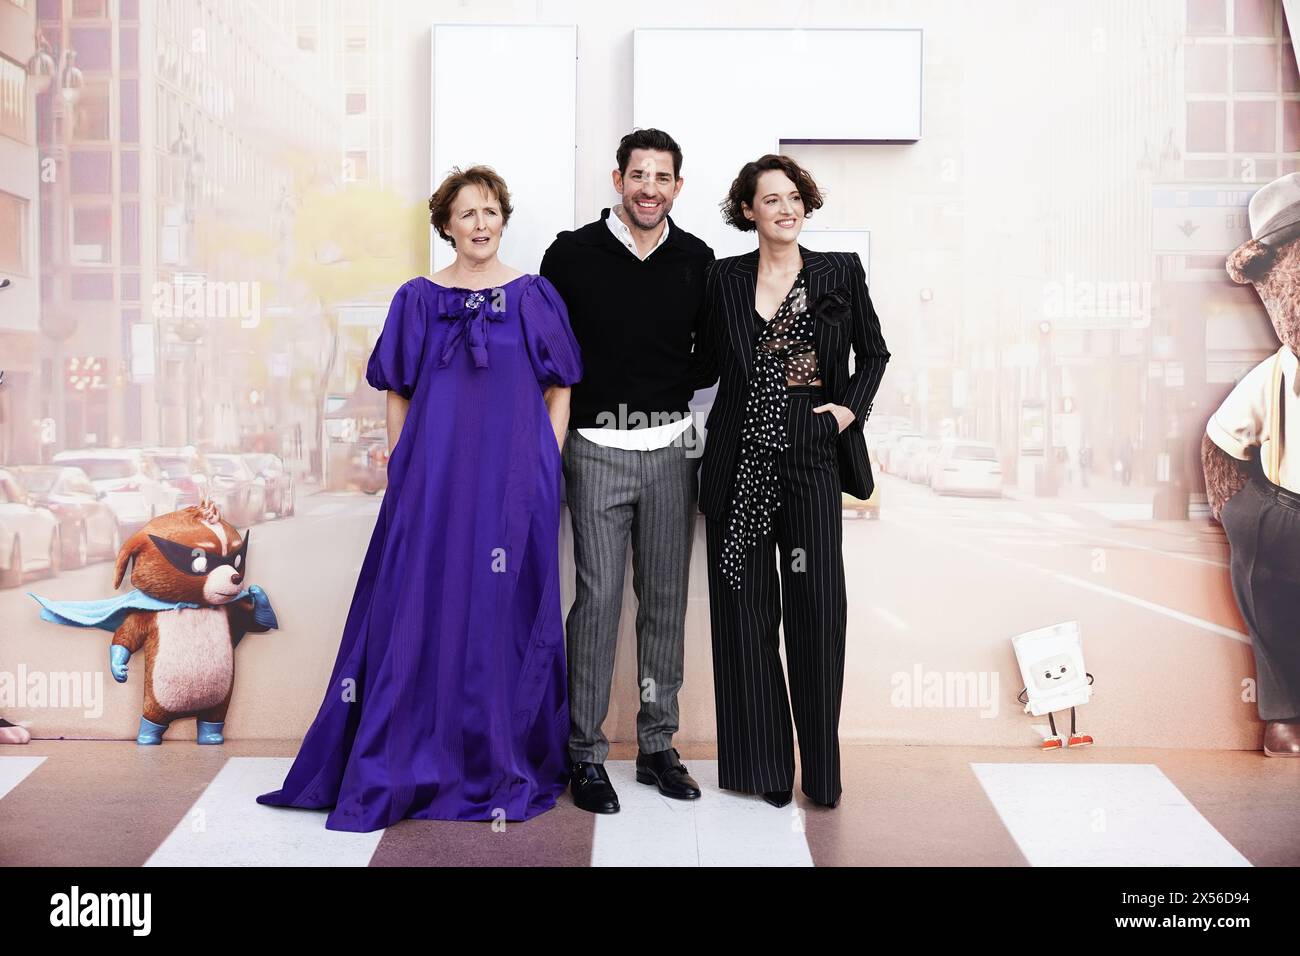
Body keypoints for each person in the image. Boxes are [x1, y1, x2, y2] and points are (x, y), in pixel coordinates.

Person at [256, 165, 583, 830]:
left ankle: (497, 757)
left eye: (491, 211)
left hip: (512, 483)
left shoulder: (534, 296)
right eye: (468, 214)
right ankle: (409, 760)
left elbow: (561, 386)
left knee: (503, 613)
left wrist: (544, 462)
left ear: (503, 219)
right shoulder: (415, 299)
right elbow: (396, 389)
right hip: (433, 482)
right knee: (418, 607)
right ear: (446, 226)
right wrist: (405, 466)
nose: (482, 223)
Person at [697, 154, 890, 809]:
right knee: (743, 617)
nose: (785, 208)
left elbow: (875, 352)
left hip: (811, 447)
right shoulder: (720, 278)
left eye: (794, 198)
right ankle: (765, 769)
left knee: (817, 611)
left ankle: (823, 773)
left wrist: (846, 410)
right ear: (747, 211)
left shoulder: (838, 271)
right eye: (770, 199)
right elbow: (696, 363)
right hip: (741, 452)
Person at [540, 129, 715, 813]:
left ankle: (656, 746)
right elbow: (549, 350)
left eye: (662, 177)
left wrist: (665, 393)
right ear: (618, 180)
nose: (649, 188)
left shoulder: (697, 259)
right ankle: (584, 753)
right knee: (598, 603)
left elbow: (710, 357)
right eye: (637, 175)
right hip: (594, 449)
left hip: (672, 451)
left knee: (664, 604)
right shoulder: (571, 254)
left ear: (677, 186)